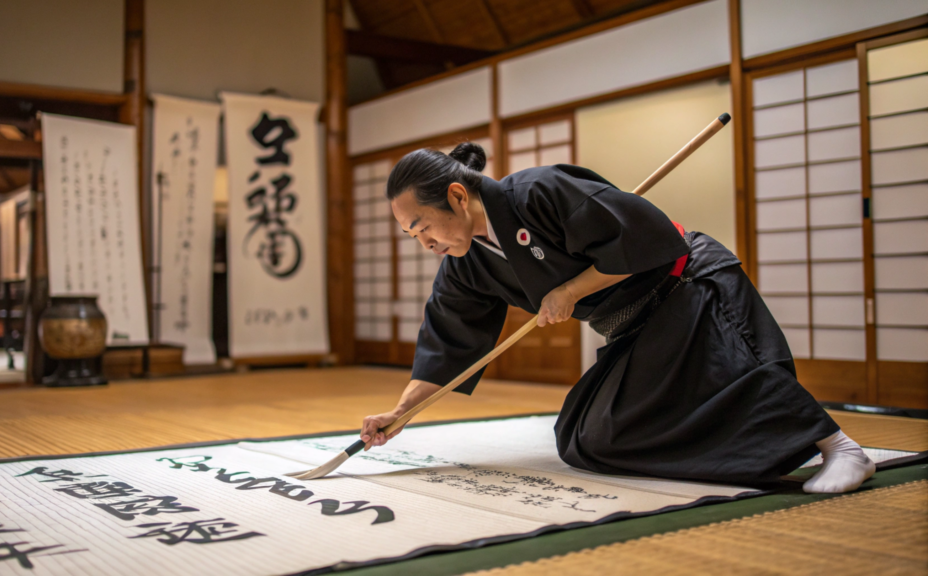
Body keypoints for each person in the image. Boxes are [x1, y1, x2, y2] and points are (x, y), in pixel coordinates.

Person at [359, 142, 876, 494]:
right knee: (587, 438)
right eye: (413, 236)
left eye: (422, 227)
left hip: (689, 286)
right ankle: (764, 452)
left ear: (455, 196)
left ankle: (838, 445)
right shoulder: (465, 263)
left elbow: (649, 237)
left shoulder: (536, 191)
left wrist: (570, 290)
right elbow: (448, 344)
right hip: (635, 323)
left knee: (726, 373)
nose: (425, 244)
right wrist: (399, 413)